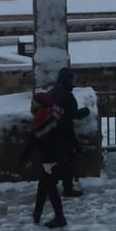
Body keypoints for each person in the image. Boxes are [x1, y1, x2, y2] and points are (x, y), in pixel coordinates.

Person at [18, 90, 68, 228]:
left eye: (35, 101)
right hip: (58, 154)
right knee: (44, 184)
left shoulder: (43, 117)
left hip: (50, 157)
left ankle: (60, 217)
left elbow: (34, 141)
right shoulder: (56, 113)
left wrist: (22, 158)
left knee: (50, 187)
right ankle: (37, 212)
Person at [49, 67, 91, 197]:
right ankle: (68, 188)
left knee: (52, 160)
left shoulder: (52, 92)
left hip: (49, 131)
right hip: (63, 132)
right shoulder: (67, 96)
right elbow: (74, 114)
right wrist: (85, 111)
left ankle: (50, 186)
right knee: (67, 161)